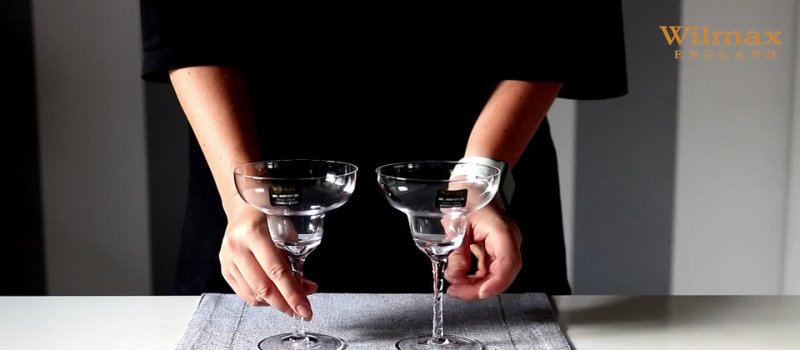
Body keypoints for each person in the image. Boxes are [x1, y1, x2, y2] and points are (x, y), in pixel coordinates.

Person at [139, 4, 628, 320]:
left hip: (478, 177)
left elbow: (561, 24)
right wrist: (242, 197)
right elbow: (185, 22)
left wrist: (478, 178)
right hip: (255, 185)